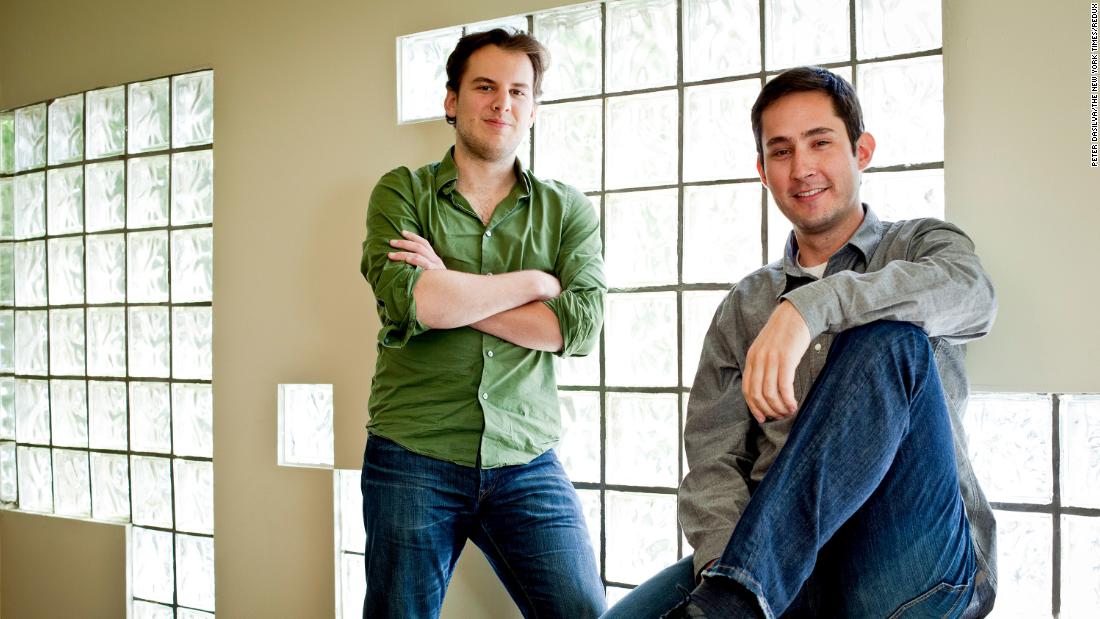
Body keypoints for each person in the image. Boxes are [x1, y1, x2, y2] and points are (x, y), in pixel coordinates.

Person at [603, 66, 997, 618]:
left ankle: (737, 602)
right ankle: (739, 595)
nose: (803, 167)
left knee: (889, 342)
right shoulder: (743, 306)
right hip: (777, 566)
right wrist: (729, 568)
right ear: (763, 170)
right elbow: (714, 465)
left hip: (908, 555)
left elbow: (975, 297)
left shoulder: (923, 244)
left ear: (862, 150)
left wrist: (810, 309)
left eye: (820, 142)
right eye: (781, 152)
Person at [359, 28, 606, 619]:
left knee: (584, 613)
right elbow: (415, 304)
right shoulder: (402, 192)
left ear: (533, 108)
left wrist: (455, 290)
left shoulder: (566, 209)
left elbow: (576, 327)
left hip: (527, 456)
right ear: (452, 100)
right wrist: (534, 283)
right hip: (412, 452)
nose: (503, 103)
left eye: (519, 91)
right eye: (486, 87)